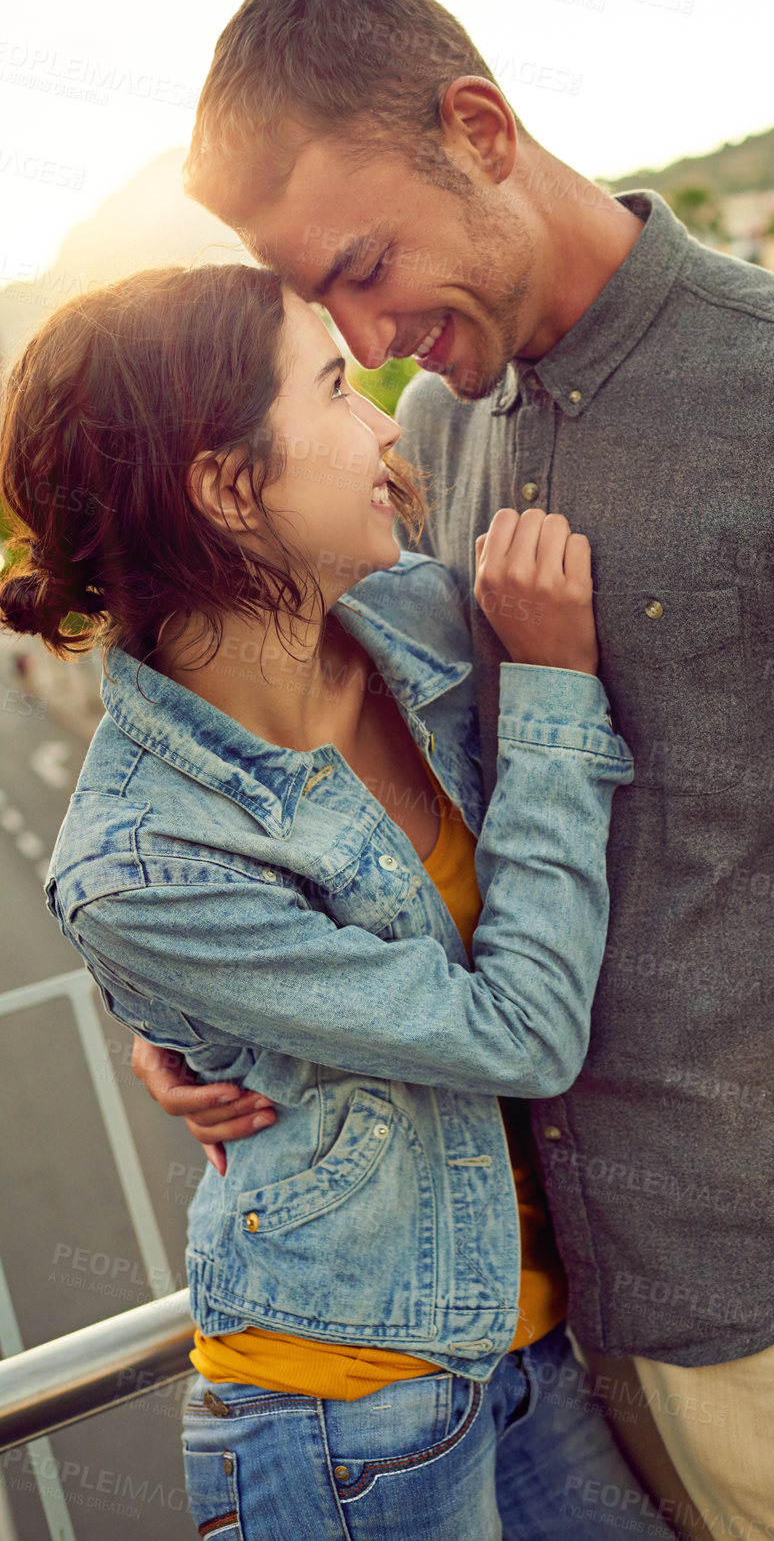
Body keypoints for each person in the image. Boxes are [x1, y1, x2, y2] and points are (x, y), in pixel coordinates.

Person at [136, 0, 774, 1540]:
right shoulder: (443, 430)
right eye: (334, 300)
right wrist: (209, 1003)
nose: (374, 328)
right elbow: (413, 797)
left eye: (373, 262)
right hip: (560, 1324)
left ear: (480, 126)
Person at [0, 263, 678, 1541]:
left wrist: (192, 1027)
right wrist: (549, 693)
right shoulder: (140, 860)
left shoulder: (417, 615)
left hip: (534, 1350)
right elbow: (520, 1032)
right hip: (350, 1422)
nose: (384, 422)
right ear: (225, 484)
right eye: (332, 387)